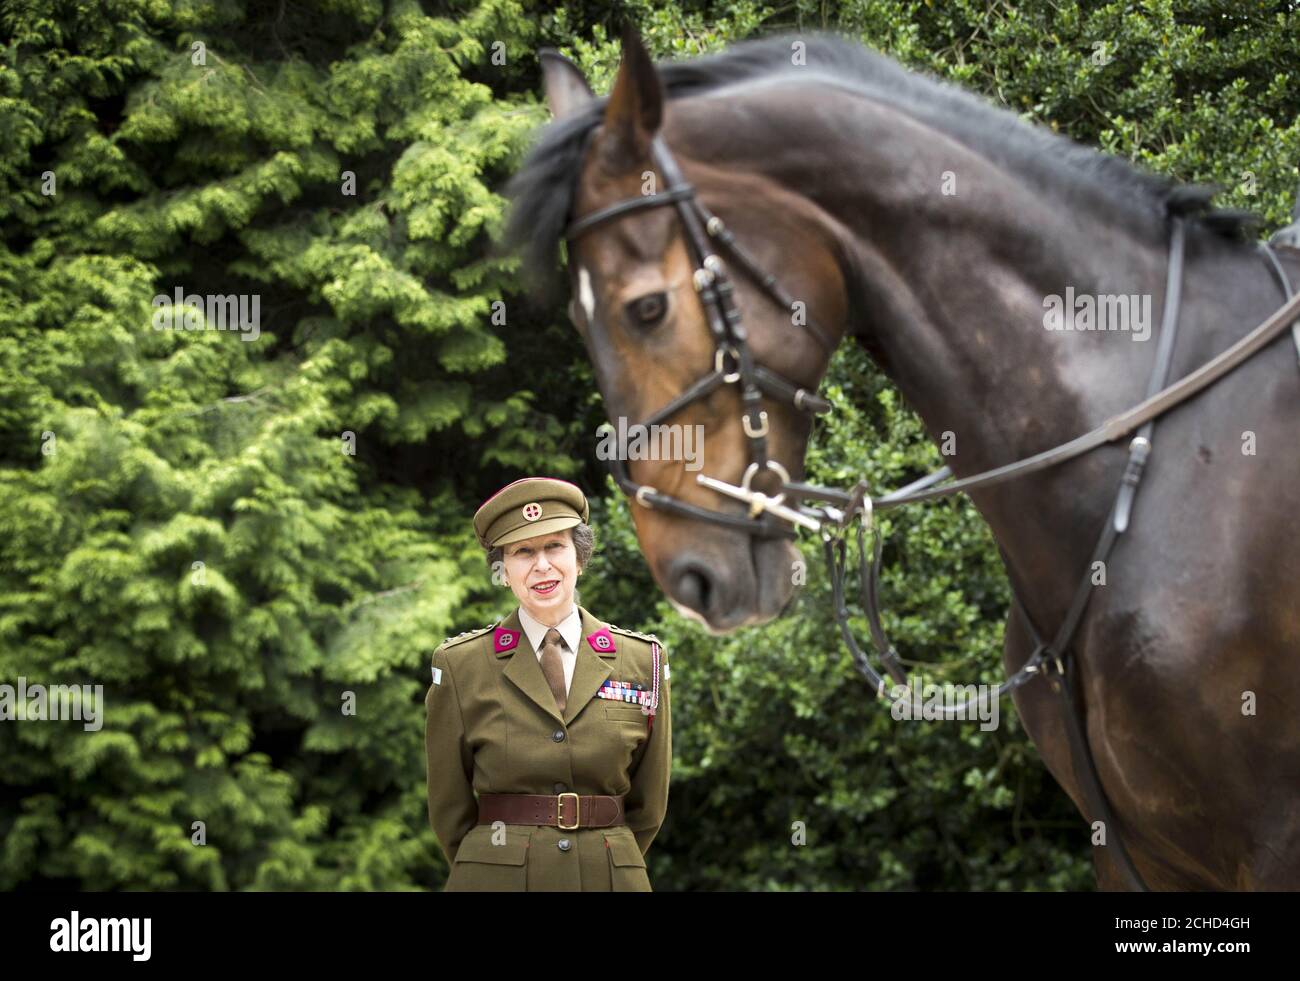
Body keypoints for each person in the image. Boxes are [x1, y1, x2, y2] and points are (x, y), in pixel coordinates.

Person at [424, 476, 671, 891]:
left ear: (579, 557)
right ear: (503, 571)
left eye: (554, 546)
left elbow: (649, 807)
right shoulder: (460, 665)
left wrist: (606, 858)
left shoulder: (641, 660)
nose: (542, 566)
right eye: (523, 552)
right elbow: (449, 809)